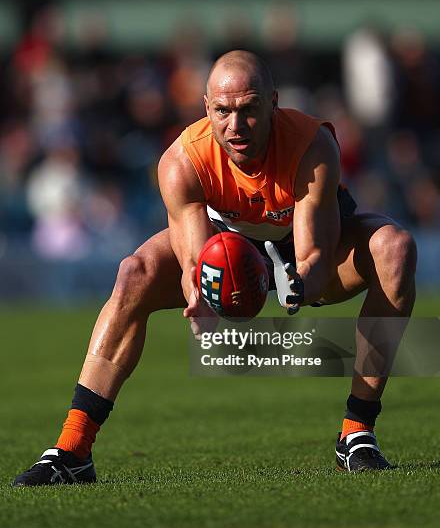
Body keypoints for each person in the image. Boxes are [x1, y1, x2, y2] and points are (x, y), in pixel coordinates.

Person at [14, 51, 417, 485]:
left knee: (396, 250)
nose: (235, 125)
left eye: (248, 110)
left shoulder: (311, 144)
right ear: (206, 107)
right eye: (223, 111)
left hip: (305, 255)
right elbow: (193, 257)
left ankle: (356, 433)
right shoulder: (181, 160)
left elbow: (314, 253)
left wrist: (298, 285)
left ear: (273, 104)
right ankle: (72, 449)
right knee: (135, 273)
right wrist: (199, 297)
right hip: (225, 249)